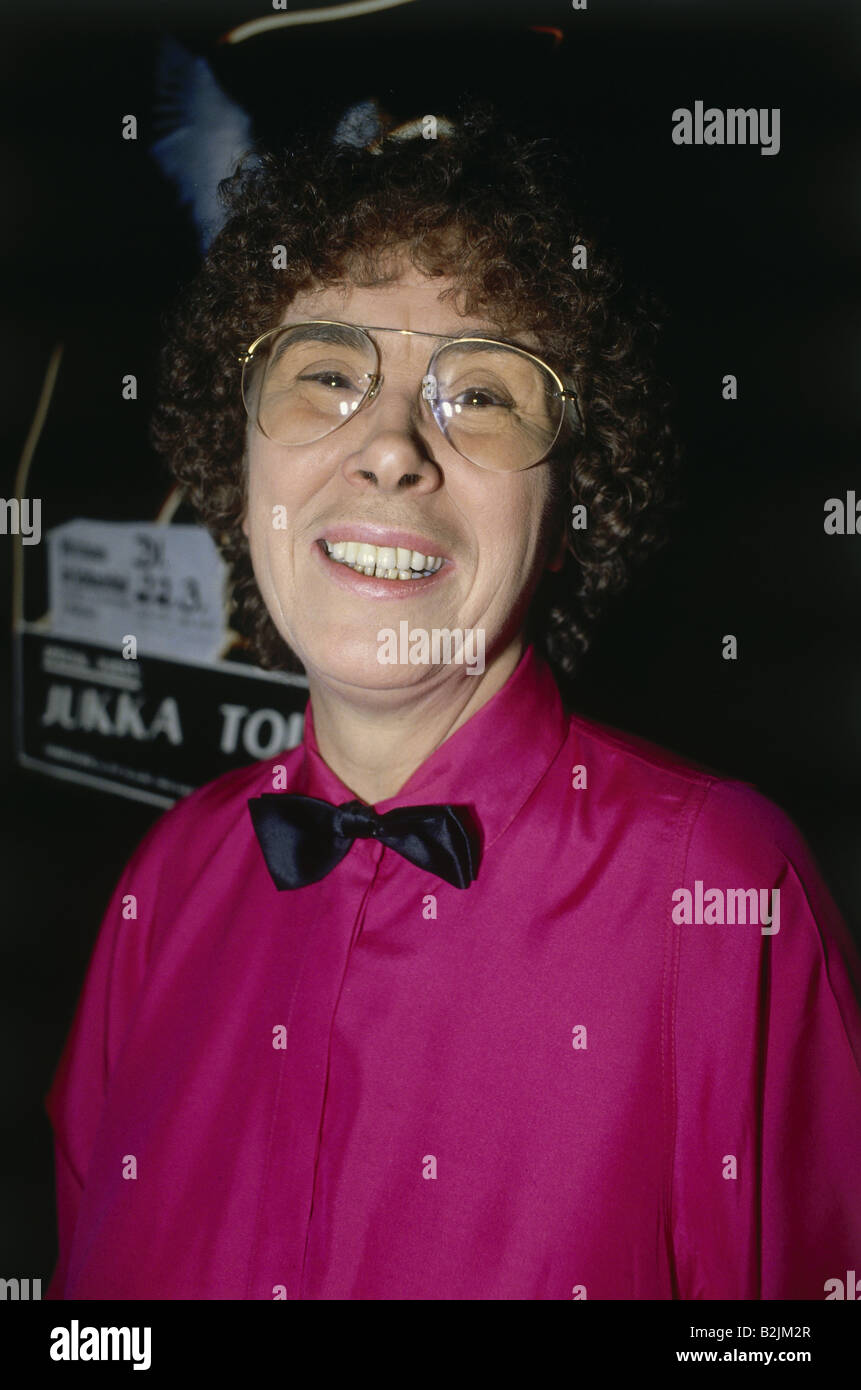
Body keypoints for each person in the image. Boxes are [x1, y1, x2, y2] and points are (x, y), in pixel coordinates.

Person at [44, 104, 861, 1300]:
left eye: (478, 394)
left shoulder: (721, 892)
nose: (387, 447)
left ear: (573, 504)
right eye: (326, 372)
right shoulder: (164, 886)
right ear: (242, 459)